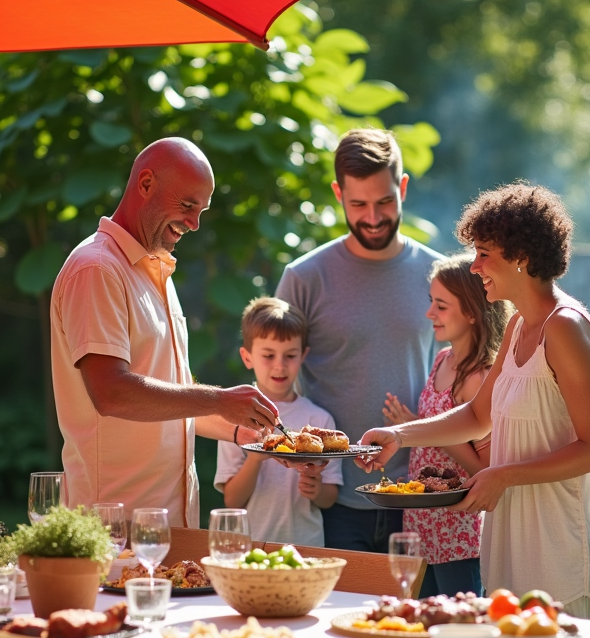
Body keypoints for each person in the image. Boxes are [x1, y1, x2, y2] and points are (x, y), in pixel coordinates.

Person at [359, 182, 590, 618]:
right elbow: (479, 416)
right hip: (511, 537)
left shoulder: (565, 327)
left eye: (484, 253)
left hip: (559, 543)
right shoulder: (519, 325)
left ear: (520, 256)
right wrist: (397, 435)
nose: (475, 266)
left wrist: (503, 476)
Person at [51, 137, 279, 528]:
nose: (194, 223)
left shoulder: (154, 268)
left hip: (168, 527)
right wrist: (220, 399)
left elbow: (169, 398)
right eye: (188, 206)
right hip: (113, 529)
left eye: (201, 211)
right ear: (145, 184)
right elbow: (112, 393)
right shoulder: (97, 269)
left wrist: (254, 435)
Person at [275, 128, 445, 552]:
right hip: (329, 500)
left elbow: (464, 384)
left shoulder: (440, 276)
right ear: (337, 194)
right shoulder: (304, 278)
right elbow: (275, 381)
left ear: (403, 187)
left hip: (419, 496)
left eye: (385, 201)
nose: (373, 217)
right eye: (358, 204)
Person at [382, 253, 510, 597]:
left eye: (441, 305)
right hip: (423, 525)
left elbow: (485, 467)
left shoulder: (480, 376)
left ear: (470, 311)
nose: (429, 314)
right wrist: (416, 427)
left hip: (458, 531)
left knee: (459, 626)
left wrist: (423, 429)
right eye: (431, 302)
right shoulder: (442, 359)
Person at [214, 297, 343, 546]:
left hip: (306, 546)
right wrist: (255, 457)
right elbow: (232, 500)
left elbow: (330, 497)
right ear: (247, 356)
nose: (280, 366)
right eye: (268, 355)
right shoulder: (234, 416)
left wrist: (316, 490)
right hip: (250, 546)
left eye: (290, 355)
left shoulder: (320, 419)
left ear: (303, 355)